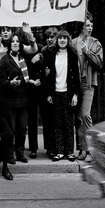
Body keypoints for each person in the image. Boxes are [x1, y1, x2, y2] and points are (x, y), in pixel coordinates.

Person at [0, 31, 41, 163]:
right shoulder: (5, 60)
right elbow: (0, 81)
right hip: (10, 101)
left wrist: (33, 81)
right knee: (11, 129)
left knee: (22, 129)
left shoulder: (23, 58)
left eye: (17, 41)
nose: (15, 43)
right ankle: (10, 155)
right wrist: (10, 83)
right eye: (13, 41)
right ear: (9, 44)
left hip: (23, 100)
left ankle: (20, 153)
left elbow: (26, 77)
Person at [44, 30, 80, 161]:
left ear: (68, 40)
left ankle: (69, 151)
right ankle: (59, 151)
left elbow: (76, 77)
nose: (62, 40)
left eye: (65, 38)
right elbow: (48, 77)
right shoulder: (51, 54)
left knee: (68, 123)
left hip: (68, 94)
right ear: (57, 40)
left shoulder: (72, 55)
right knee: (57, 124)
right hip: (55, 93)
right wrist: (49, 94)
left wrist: (75, 95)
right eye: (60, 38)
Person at [71, 15, 103, 160]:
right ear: (82, 27)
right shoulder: (73, 42)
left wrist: (87, 52)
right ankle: (82, 150)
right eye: (87, 25)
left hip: (89, 83)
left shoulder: (95, 43)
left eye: (91, 25)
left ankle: (90, 150)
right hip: (76, 85)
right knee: (79, 119)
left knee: (85, 115)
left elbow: (99, 63)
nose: (90, 28)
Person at [0, 23, 38, 101]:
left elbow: (33, 50)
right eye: (3, 30)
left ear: (12, 32)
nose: (5, 32)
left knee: (5, 109)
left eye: (8, 30)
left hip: (8, 83)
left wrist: (30, 35)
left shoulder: (15, 44)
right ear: (0, 33)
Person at [40, 26, 59, 158]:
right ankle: (49, 148)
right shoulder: (44, 51)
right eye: (48, 37)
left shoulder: (60, 51)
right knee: (47, 121)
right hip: (45, 90)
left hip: (58, 89)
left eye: (52, 37)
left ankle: (57, 146)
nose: (50, 39)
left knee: (56, 120)